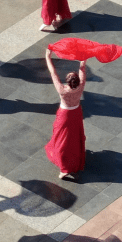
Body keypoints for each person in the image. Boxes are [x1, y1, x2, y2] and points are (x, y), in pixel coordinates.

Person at [44, 49, 86, 179]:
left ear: (68, 81)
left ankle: (64, 168)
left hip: (64, 114)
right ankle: (71, 162)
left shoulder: (62, 90)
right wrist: (83, 56)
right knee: (73, 138)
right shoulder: (81, 86)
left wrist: (47, 57)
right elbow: (82, 69)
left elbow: (53, 73)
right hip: (76, 112)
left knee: (61, 139)